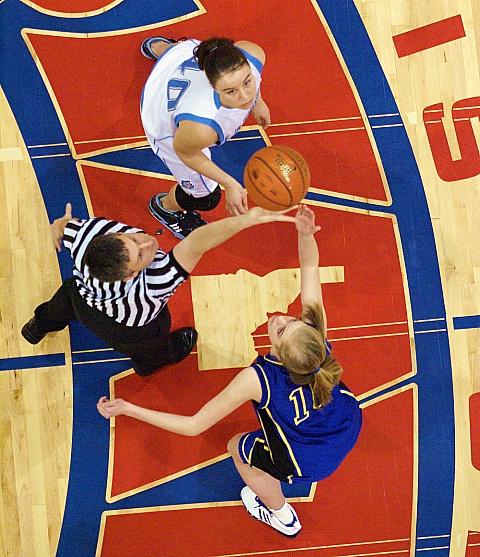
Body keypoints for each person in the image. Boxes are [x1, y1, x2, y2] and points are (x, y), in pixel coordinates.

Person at [97, 205, 362, 536]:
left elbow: (194, 426)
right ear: (308, 327)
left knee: (238, 447)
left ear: (278, 353)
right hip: (346, 424)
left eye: (280, 330)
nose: (281, 318)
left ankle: (282, 515)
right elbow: (310, 264)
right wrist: (305, 233)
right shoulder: (314, 339)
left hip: (307, 458)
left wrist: (127, 408)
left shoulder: (257, 379)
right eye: (291, 320)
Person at [21, 203, 295, 377]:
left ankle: (36, 327)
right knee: (154, 340)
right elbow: (198, 241)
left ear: (112, 236)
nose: (148, 244)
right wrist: (247, 220)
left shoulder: (87, 234)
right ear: (131, 276)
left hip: (82, 297)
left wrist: (58, 226)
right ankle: (148, 364)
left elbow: (62, 228)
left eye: (133, 239)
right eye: (140, 256)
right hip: (127, 328)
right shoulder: (156, 282)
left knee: (62, 300)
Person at [140, 36, 271, 238]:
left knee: (188, 50)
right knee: (206, 198)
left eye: (247, 82)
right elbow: (185, 152)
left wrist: (258, 102)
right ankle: (165, 207)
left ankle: (166, 50)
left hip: (178, 58)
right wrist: (231, 184)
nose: (245, 97)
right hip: (159, 114)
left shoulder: (252, 53)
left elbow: (253, 77)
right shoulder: (202, 126)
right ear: (211, 85)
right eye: (231, 91)